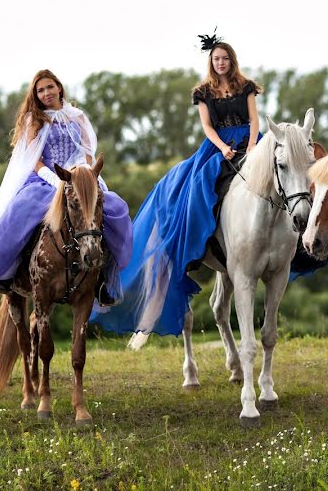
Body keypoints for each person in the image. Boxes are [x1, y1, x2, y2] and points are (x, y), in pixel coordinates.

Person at [90, 32, 263, 337]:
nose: (221, 63)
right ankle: (199, 243)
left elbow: (255, 120)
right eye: (216, 59)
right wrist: (223, 148)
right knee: (197, 187)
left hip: (250, 142)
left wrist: (251, 147)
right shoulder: (203, 92)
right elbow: (207, 126)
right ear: (212, 63)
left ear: (232, 61)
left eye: (225, 59)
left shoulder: (246, 87)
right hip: (218, 146)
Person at [0, 68, 133, 306]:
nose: (46, 92)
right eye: (40, 90)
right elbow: (34, 159)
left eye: (50, 87)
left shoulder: (77, 116)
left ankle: (103, 278)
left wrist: (81, 173)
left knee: (116, 209)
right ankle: (8, 274)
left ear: (59, 87)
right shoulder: (34, 120)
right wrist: (55, 179)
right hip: (45, 178)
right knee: (19, 213)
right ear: (36, 95)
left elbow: (87, 152)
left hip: (79, 178)